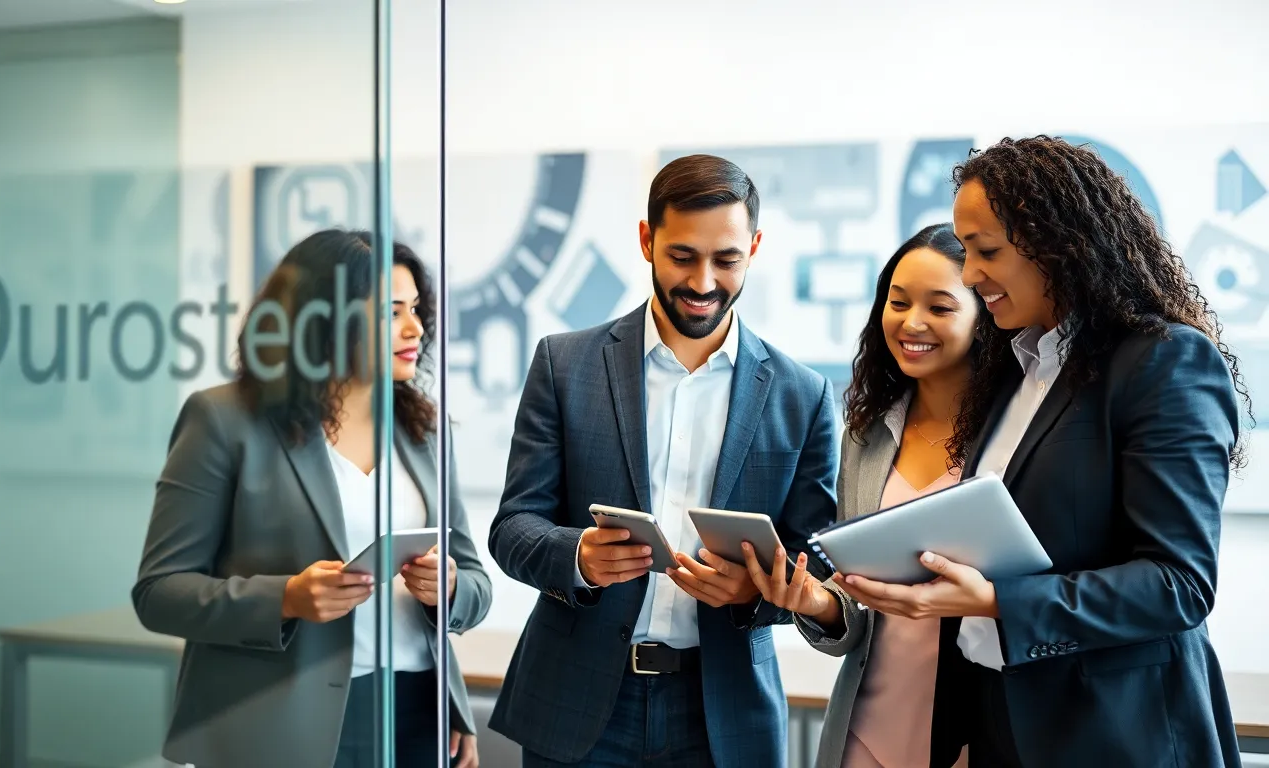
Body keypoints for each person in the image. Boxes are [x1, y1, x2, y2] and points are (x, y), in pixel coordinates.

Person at [825, 136, 1249, 767]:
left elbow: (1178, 584)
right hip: (1001, 729)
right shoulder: (1014, 370)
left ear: (1057, 243)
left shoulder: (1163, 361)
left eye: (986, 251)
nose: (972, 275)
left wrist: (996, 600)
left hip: (1117, 736)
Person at [487, 154, 839, 767]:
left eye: (726, 260)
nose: (703, 282)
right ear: (647, 241)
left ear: (754, 249)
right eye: (682, 256)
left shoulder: (801, 395)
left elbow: (818, 560)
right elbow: (512, 528)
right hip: (576, 701)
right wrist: (579, 558)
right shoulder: (563, 366)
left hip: (723, 714)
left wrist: (753, 593)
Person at [133, 231, 491, 768]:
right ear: (322, 322)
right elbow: (159, 592)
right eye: (391, 312)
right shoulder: (224, 420)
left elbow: (475, 580)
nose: (415, 328)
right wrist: (286, 599)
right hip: (279, 720)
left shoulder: (425, 433)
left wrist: (452, 588)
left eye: (416, 309)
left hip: (417, 713)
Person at [745, 224, 985, 768]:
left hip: (975, 727)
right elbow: (855, 598)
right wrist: (816, 602)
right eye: (898, 303)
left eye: (939, 307)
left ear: (983, 317)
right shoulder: (866, 434)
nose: (912, 322)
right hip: (868, 727)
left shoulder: (1013, 432)